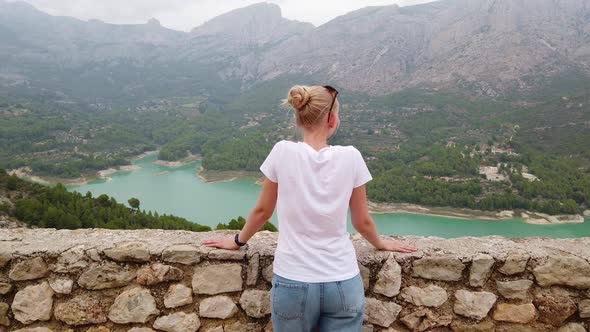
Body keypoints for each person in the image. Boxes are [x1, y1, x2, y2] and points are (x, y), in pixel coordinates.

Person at [202, 85, 418, 332]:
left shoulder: (282, 151)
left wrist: (238, 241)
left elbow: (263, 211)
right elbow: (362, 222)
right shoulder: (351, 156)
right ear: (332, 119)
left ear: (299, 118)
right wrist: (381, 244)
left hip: (293, 279)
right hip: (342, 280)